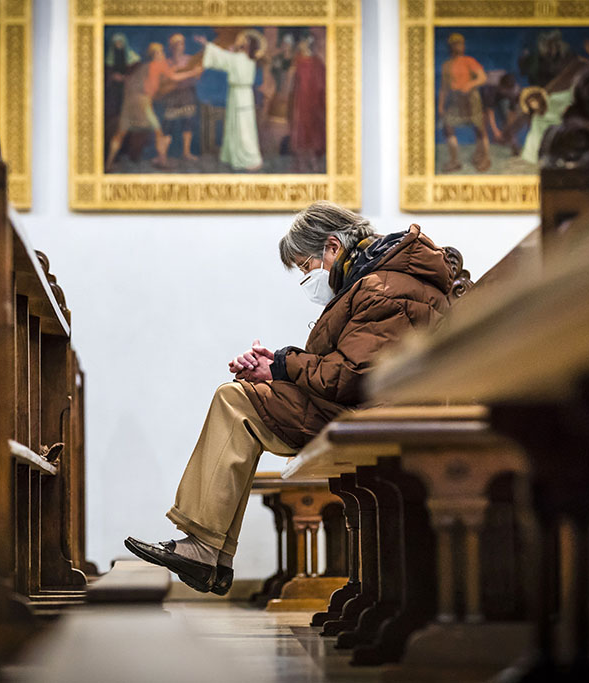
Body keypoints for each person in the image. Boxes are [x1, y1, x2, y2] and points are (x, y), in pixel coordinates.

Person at [124, 201, 456, 594]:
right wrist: (274, 366)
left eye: (304, 266)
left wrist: (281, 365)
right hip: (364, 406)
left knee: (236, 401)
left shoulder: (383, 287)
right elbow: (345, 367)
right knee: (240, 397)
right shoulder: (377, 278)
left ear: (332, 247)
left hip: (376, 411)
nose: (306, 278)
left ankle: (206, 549)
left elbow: (350, 376)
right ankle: (209, 551)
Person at [105, 42, 201, 171]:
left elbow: (133, 80)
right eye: (160, 52)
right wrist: (192, 72)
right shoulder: (159, 64)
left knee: (120, 133)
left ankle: (108, 164)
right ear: (156, 54)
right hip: (142, 102)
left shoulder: (145, 66)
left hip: (129, 102)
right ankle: (162, 161)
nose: (163, 54)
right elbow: (173, 77)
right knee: (158, 132)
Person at [194, 31, 265, 171]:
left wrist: (206, 44)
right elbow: (226, 58)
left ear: (247, 45)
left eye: (243, 41)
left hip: (240, 95)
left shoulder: (239, 59)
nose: (239, 42)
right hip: (240, 94)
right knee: (237, 125)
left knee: (243, 127)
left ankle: (250, 159)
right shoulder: (248, 59)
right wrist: (231, 52)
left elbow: (221, 57)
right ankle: (234, 156)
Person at [438, 33, 491, 172]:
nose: (459, 46)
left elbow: (482, 78)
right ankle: (455, 161)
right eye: (456, 44)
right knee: (448, 126)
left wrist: (470, 84)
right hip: (456, 99)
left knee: (479, 128)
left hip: (471, 98)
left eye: (461, 43)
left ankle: (484, 158)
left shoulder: (469, 61)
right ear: (451, 46)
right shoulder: (446, 65)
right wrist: (441, 105)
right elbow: (444, 88)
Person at [288, 32, 327, 171]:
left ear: (307, 44)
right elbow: (292, 81)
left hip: (313, 101)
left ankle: (313, 162)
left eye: (302, 42)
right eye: (300, 43)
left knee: (312, 130)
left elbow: (323, 83)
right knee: (299, 130)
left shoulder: (317, 62)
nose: (300, 45)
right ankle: (300, 162)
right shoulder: (297, 60)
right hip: (300, 101)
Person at [160, 34, 201, 162]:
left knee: (188, 123)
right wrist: (187, 73)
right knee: (168, 126)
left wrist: (197, 72)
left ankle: (186, 153)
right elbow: (167, 79)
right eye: (176, 44)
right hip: (172, 95)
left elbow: (197, 75)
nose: (178, 47)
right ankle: (163, 156)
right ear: (171, 47)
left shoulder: (190, 59)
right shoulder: (167, 62)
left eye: (181, 44)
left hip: (187, 94)